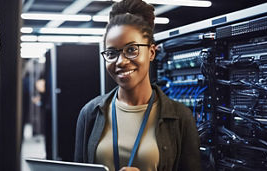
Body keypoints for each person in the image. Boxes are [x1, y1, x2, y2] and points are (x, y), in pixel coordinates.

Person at [74, 0, 201, 170]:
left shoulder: (181, 118)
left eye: (132, 49)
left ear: (151, 52)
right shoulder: (90, 113)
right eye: (111, 53)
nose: (121, 61)